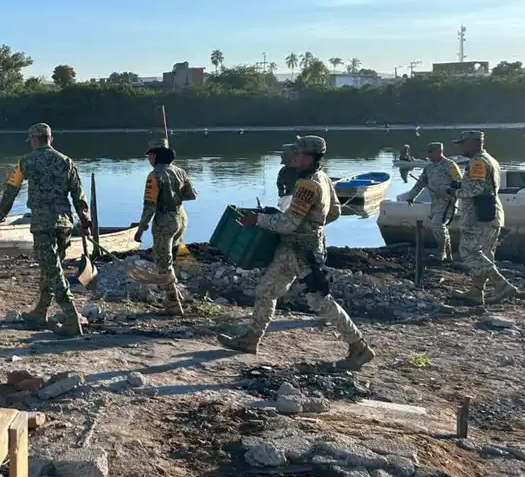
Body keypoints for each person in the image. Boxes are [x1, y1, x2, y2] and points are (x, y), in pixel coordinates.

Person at [217, 135, 376, 370]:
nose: (294, 157)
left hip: (303, 251)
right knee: (266, 290)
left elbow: (288, 223)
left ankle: (359, 348)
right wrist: (314, 226)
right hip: (293, 247)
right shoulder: (323, 178)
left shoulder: (306, 185)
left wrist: (257, 219)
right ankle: (251, 339)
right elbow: (334, 213)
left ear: (311, 157)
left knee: (319, 300)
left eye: (299, 153)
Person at [0, 123, 92, 337]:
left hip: (43, 223)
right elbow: (78, 193)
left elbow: (11, 190)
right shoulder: (67, 161)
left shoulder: (26, 161)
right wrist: (85, 218)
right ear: (51, 139)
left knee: (53, 271)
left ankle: (71, 316)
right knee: (52, 268)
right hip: (65, 223)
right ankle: (41, 311)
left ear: (34, 140)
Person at [133, 139, 196, 314]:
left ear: (155, 157)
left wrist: (141, 228)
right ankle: (176, 294)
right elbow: (191, 195)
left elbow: (150, 205)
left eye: (150, 156)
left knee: (163, 261)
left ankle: (173, 302)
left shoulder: (154, 175)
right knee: (168, 258)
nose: (148, 159)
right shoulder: (180, 171)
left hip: (164, 219)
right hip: (181, 217)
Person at [453, 130, 516, 304]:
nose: (461, 147)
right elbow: (483, 185)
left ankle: (501, 284)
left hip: (478, 216)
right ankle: (476, 291)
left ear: (472, 144)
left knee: (470, 252)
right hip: (491, 213)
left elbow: (476, 189)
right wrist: (462, 184)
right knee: (485, 254)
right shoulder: (490, 159)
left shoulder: (477, 162)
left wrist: (456, 191)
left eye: (463, 143)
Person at [404, 142, 462, 262]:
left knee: (437, 225)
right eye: (428, 152)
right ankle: (448, 255)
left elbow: (460, 182)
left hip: (447, 201)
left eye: (431, 152)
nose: (428, 155)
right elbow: (421, 183)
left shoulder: (450, 165)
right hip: (435, 201)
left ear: (438, 152)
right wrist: (411, 196)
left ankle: (441, 253)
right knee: (441, 227)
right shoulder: (429, 167)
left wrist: (452, 190)